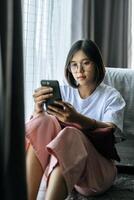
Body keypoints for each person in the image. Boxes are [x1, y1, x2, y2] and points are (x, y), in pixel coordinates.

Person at [25, 39, 126, 200]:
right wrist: (38, 110)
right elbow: (39, 134)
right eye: (74, 65)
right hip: (64, 166)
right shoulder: (63, 92)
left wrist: (77, 119)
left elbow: (110, 130)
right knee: (43, 120)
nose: (79, 70)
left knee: (71, 133)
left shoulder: (111, 96)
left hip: (98, 171)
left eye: (86, 63)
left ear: (97, 65)